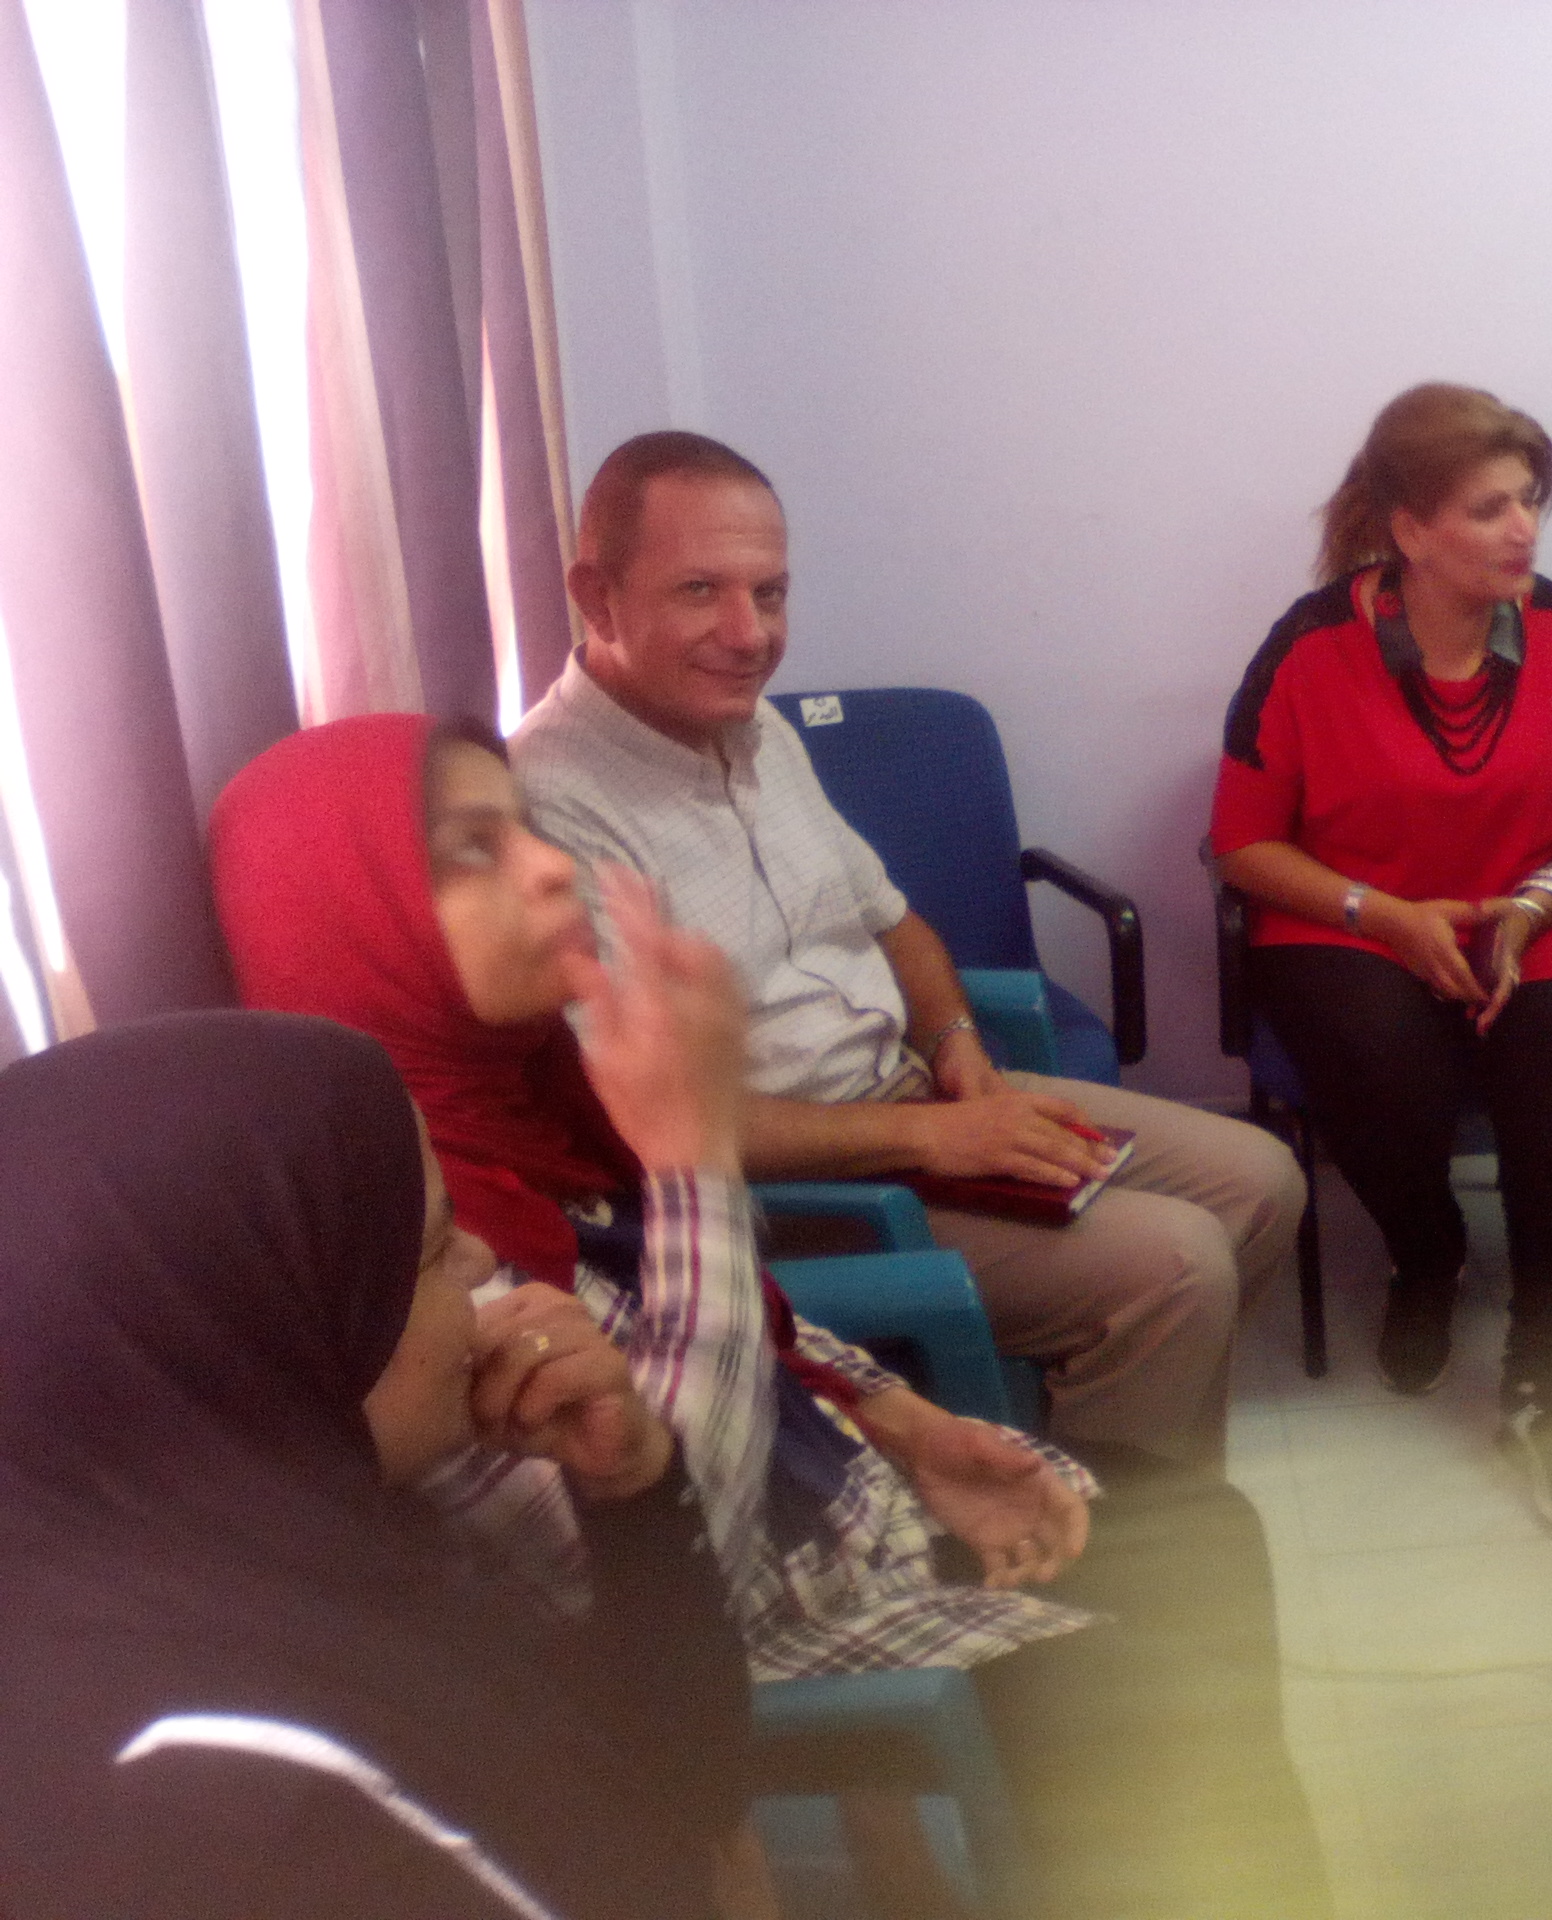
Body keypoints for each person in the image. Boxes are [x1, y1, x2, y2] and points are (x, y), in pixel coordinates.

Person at [211, 713, 1333, 1920]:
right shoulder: (412, 1254)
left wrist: (906, 1427)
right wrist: (692, 1159)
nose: (546, 868)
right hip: (735, 1622)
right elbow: (667, 1541)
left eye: (526, 830)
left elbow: (726, 1308)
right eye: (469, 852)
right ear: (346, 925)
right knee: (1141, 1697)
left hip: (817, 1508)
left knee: (1203, 1530)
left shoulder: (524, 1102)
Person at [510, 429, 1305, 1471]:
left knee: (1261, 1179)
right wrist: (932, 1140)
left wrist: (955, 1041)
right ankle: (1102, 1532)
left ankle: (1105, 1442)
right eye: (700, 590)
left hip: (912, 1098)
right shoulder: (549, 803)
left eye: (771, 593)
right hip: (786, 1193)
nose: (749, 634)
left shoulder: (756, 729)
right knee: (1178, 1266)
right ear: (596, 596)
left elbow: (892, 921)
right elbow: (654, 1123)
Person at [0, 1011, 749, 1920]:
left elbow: (686, 1783)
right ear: (267, 1332)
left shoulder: (307, 1546)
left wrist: (630, 1487)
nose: (481, 1259)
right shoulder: (231, 1816)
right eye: (431, 1250)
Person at [1209, 382, 1552, 1540]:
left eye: (1530, 500)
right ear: (1407, 529)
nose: (1524, 529)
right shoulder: (1310, 645)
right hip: (1354, 916)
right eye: (1489, 508)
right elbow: (1240, 844)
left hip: (1533, 909)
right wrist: (1386, 915)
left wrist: (1541, 902)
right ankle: (1428, 1250)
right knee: (1375, 1046)